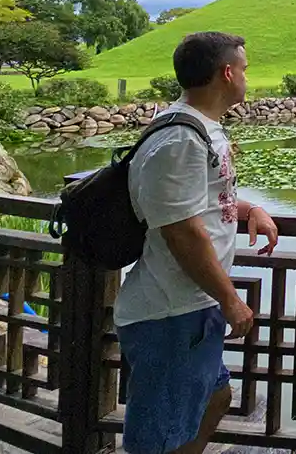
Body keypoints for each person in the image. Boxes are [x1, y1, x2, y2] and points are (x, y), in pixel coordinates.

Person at [114, 32, 279, 454]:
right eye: (244, 68)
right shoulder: (180, 139)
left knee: (215, 399)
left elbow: (202, 201)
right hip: (170, 313)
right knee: (158, 439)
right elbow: (180, 230)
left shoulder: (202, 130)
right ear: (227, 73)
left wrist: (248, 211)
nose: (246, 77)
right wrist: (230, 299)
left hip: (191, 308)